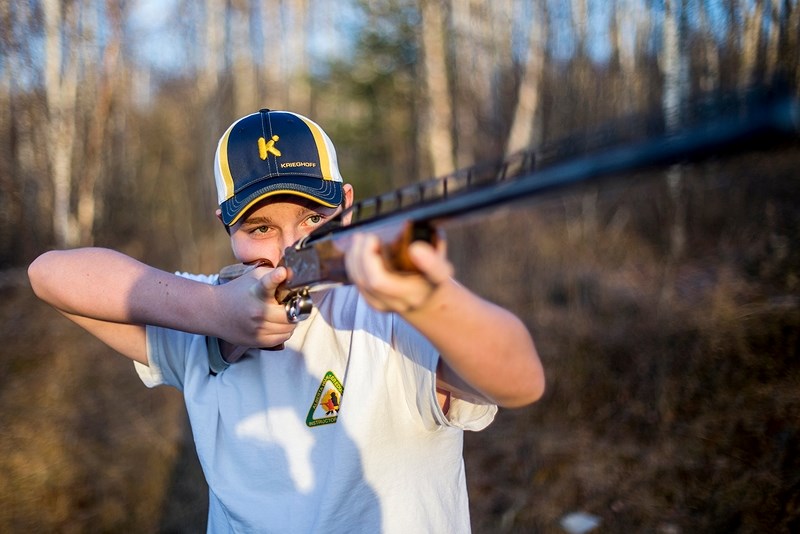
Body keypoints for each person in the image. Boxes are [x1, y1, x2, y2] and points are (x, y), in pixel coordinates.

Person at [28, 109, 545, 532]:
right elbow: (49, 274)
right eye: (259, 227)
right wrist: (218, 313)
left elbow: (521, 379)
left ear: (345, 205)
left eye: (312, 219)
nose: (288, 247)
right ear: (226, 226)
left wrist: (427, 298)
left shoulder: (384, 317)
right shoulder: (203, 316)